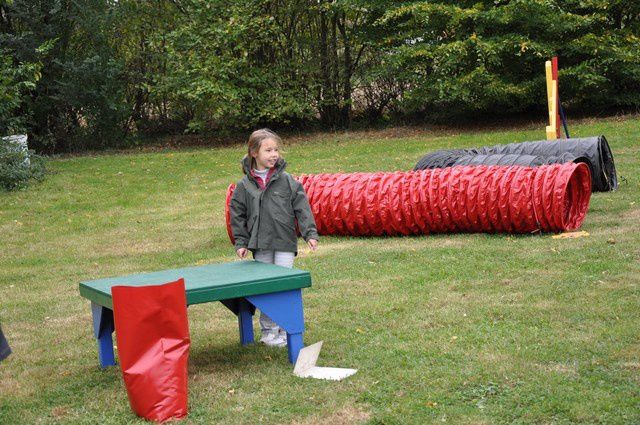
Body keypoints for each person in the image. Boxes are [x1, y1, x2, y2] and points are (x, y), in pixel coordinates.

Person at [229, 128, 319, 347]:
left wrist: (310, 233)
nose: (274, 154)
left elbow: (302, 208)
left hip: (284, 242)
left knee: (284, 286)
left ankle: (285, 329)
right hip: (261, 244)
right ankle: (269, 331)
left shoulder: (287, 181)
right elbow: (237, 214)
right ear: (253, 153)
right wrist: (241, 242)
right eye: (268, 150)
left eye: (276, 149)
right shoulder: (244, 186)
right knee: (266, 288)